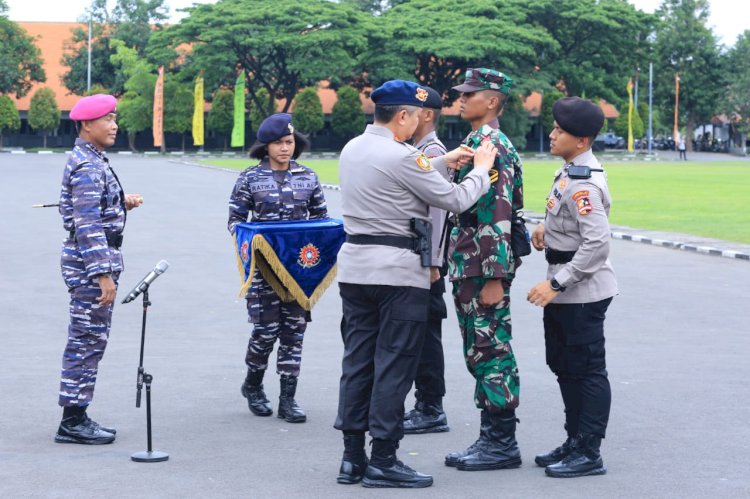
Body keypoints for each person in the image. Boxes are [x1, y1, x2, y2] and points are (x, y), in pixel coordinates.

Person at [335, 79, 496, 488]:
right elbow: (456, 200)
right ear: (403, 116)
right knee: (394, 363)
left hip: (356, 269)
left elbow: (393, 171)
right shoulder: (404, 155)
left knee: (358, 362)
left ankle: (352, 458)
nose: (418, 123)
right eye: (416, 116)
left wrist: (443, 162)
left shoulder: (354, 148)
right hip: (398, 272)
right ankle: (384, 458)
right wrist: (478, 170)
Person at [527, 96, 619, 478]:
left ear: (581, 140)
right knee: (564, 366)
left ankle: (589, 450)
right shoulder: (568, 170)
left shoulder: (584, 184)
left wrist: (556, 284)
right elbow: (569, 221)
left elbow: (597, 244)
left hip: (581, 291)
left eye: (560, 131)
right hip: (567, 288)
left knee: (586, 370)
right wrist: (545, 227)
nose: (552, 134)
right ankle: (574, 439)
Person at [443, 68, 525, 472]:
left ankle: (502, 443)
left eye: (470, 93)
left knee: (492, 350)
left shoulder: (490, 144)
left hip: (482, 267)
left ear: (491, 100)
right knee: (479, 351)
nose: (461, 98)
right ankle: (491, 436)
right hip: (470, 263)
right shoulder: (475, 142)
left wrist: (495, 276)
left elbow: (498, 213)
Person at [227, 113, 327, 424]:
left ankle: (288, 398)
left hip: (299, 271)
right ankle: (253, 385)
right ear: (265, 147)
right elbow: (235, 223)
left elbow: (322, 221)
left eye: (289, 142)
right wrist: (257, 243)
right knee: (265, 331)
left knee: (294, 332)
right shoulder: (249, 179)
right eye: (278, 143)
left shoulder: (308, 177)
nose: (285, 148)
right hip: (264, 270)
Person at [56, 94, 143, 445]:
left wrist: (121, 205)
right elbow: (87, 223)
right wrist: (102, 274)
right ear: (87, 124)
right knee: (86, 342)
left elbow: (92, 210)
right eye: (108, 119)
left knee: (89, 340)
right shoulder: (89, 166)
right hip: (91, 267)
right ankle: (72, 421)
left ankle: (76, 414)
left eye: (115, 118)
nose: (115, 125)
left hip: (90, 261)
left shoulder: (89, 159)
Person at [403, 86, 450, 435]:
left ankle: (431, 406)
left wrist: (432, 261)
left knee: (426, 335)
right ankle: (425, 403)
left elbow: (437, 213)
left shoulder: (433, 152)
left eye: (412, 110)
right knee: (416, 333)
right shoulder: (413, 150)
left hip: (427, 260)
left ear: (428, 114)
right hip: (418, 256)